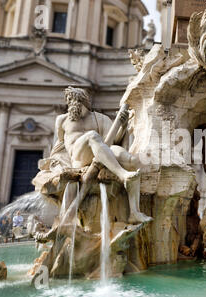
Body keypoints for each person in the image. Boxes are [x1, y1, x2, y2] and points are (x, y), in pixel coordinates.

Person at [52, 87, 151, 224]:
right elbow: (60, 145)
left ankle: (134, 212)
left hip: (102, 151)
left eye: (73, 99)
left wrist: (122, 125)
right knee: (92, 136)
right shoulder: (62, 120)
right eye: (68, 100)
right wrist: (56, 163)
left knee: (133, 162)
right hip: (79, 158)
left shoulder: (100, 118)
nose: (70, 103)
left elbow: (110, 142)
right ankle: (122, 174)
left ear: (83, 100)